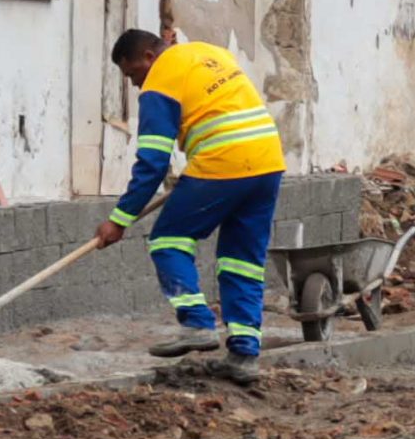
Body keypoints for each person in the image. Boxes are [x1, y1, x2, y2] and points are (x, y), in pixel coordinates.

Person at [93, 29, 286, 382]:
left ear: (149, 57)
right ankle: (244, 354)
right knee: (241, 260)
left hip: (223, 160)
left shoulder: (159, 79)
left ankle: (197, 323)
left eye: (133, 74)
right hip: (268, 161)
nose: (135, 84)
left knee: (168, 241)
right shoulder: (209, 53)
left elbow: (152, 162)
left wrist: (119, 220)